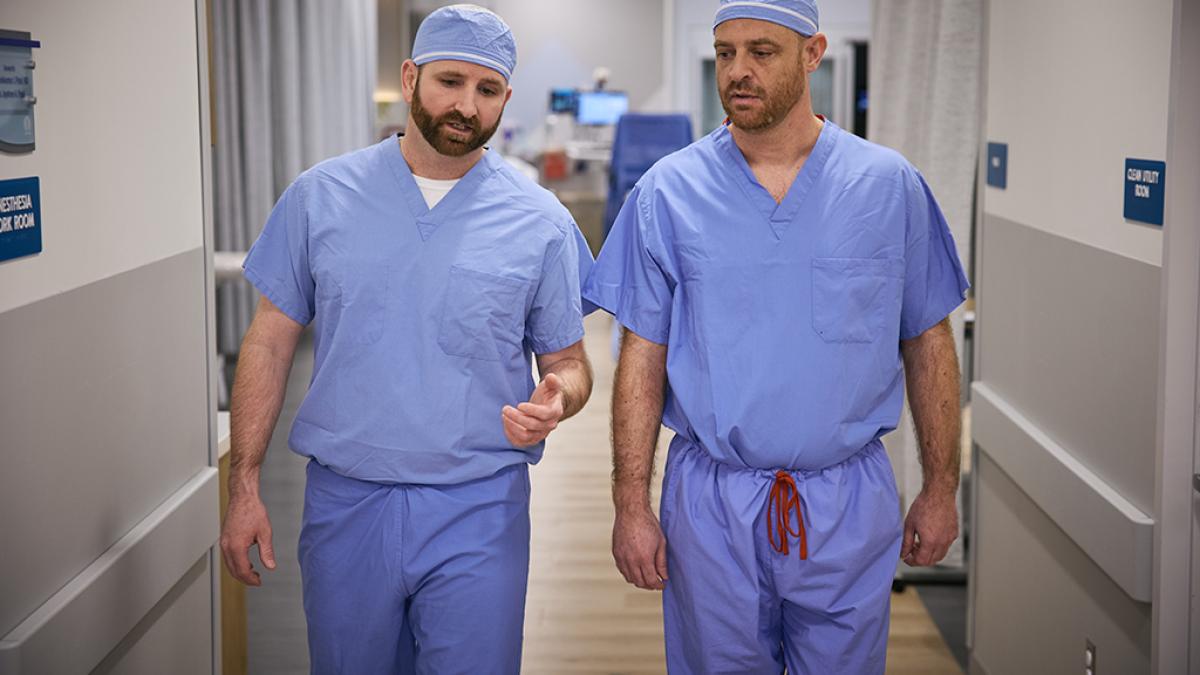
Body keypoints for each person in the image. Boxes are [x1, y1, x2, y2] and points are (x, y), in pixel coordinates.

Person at [582, 0, 970, 672]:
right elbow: (641, 358)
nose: (738, 70)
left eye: (761, 51)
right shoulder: (669, 193)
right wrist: (630, 503)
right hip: (712, 503)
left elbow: (928, 341)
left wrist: (941, 488)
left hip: (846, 501)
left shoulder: (886, 187)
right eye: (725, 52)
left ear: (813, 54)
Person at [219, 5, 594, 673]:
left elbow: (569, 362)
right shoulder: (321, 197)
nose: (467, 106)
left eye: (487, 89)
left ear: (506, 98)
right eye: (450, 81)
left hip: (480, 508)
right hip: (347, 507)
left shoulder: (540, 221)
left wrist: (559, 397)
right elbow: (269, 343)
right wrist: (243, 482)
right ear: (411, 76)